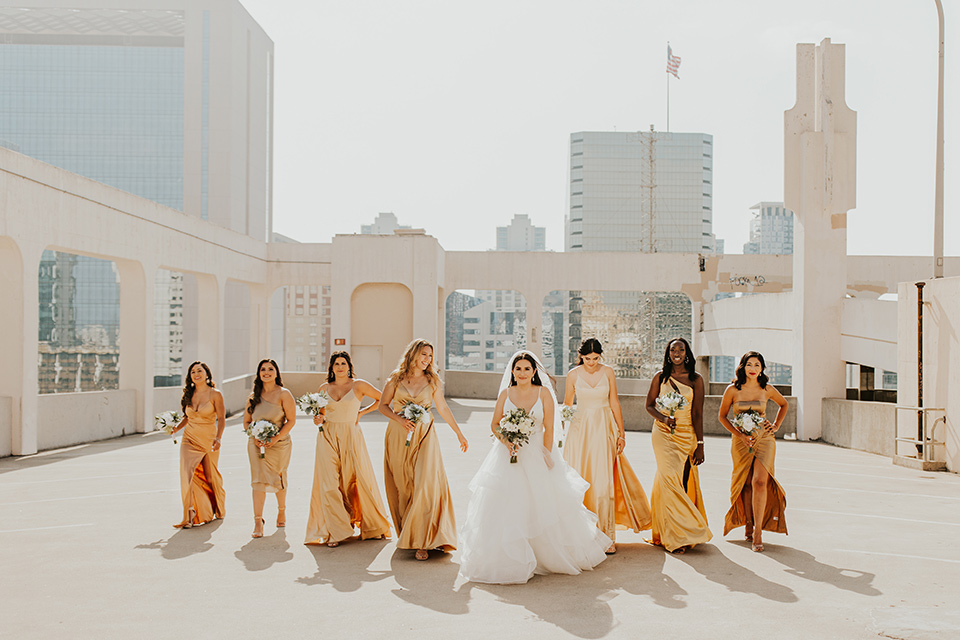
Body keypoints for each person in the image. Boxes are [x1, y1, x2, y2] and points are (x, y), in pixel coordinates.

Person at [458, 351, 611, 584]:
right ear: (512, 371)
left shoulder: (544, 394)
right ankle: (511, 557)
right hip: (508, 455)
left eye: (526, 369)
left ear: (534, 372)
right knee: (508, 504)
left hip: (537, 452)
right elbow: (495, 423)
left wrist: (547, 454)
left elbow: (549, 426)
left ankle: (544, 555)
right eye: (518, 368)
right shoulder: (506, 394)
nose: (522, 373)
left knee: (543, 502)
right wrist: (507, 441)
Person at [378, 339, 468, 561]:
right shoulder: (395, 378)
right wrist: (399, 419)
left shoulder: (433, 380)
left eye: (430, 356)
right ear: (413, 354)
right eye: (424, 355)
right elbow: (383, 405)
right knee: (404, 486)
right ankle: (408, 533)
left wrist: (459, 433)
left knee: (425, 484)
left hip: (426, 436)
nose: (427, 360)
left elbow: (443, 408)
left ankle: (423, 541)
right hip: (398, 436)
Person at [562, 338, 651, 553]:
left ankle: (607, 537)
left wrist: (621, 433)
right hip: (580, 431)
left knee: (603, 483)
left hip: (603, 428)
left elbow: (614, 402)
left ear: (600, 356)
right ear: (580, 356)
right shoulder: (573, 375)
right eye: (587, 358)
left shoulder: (608, 372)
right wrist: (565, 429)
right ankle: (583, 536)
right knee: (581, 481)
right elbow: (567, 404)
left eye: (595, 358)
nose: (591, 363)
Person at [305, 351, 391, 547]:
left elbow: (383, 399)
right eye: (336, 364)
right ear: (331, 367)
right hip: (326, 436)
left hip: (351, 436)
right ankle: (336, 531)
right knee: (328, 484)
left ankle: (369, 523)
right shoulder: (324, 388)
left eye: (343, 363)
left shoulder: (358, 385)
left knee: (353, 481)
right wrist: (317, 419)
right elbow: (320, 414)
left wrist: (362, 412)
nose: (340, 367)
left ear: (349, 366)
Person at [644, 338, 712, 553]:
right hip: (663, 433)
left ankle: (675, 531)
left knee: (680, 482)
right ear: (668, 353)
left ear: (687, 353)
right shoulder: (660, 377)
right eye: (673, 350)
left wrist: (700, 443)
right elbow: (649, 405)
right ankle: (677, 536)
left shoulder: (696, 379)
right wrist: (664, 419)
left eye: (681, 349)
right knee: (669, 479)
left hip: (686, 435)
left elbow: (698, 413)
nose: (677, 353)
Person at [718, 351, 789, 552]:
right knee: (746, 484)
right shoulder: (732, 390)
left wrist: (775, 425)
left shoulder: (766, 389)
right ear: (743, 366)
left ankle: (758, 532)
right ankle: (748, 523)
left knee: (759, 482)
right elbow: (722, 417)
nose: (753, 368)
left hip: (764, 439)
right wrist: (739, 435)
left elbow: (784, 404)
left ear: (762, 369)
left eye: (757, 365)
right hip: (741, 442)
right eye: (749, 364)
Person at [244, 358, 297, 539]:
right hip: (256, 445)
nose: (266, 372)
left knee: (278, 477)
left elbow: (291, 420)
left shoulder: (284, 394)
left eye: (270, 369)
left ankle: (281, 511)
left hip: (279, 444)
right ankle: (258, 521)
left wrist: (274, 439)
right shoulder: (253, 397)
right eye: (263, 370)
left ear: (276, 372)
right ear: (259, 374)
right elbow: (246, 422)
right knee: (258, 480)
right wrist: (254, 436)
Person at [171, 361, 226, 528]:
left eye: (199, 371)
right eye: (193, 371)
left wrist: (218, 438)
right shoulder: (189, 394)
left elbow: (222, 418)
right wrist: (175, 428)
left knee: (210, 476)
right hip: (189, 438)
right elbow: (187, 417)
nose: (196, 374)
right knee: (187, 475)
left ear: (207, 374)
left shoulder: (215, 394)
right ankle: (189, 514)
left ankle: (213, 508)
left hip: (208, 439)